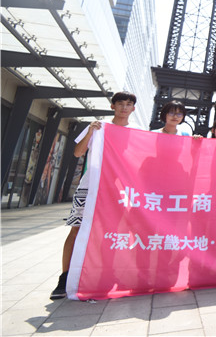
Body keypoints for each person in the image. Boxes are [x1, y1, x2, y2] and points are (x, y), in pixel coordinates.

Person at [50, 91, 139, 300]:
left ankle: (105, 274)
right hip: (90, 186)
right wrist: (90, 132)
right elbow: (78, 152)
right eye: (120, 103)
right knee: (76, 230)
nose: (124, 107)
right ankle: (64, 278)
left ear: (133, 108)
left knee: (111, 233)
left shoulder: (136, 132)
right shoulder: (99, 126)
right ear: (112, 106)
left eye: (128, 104)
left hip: (117, 190)